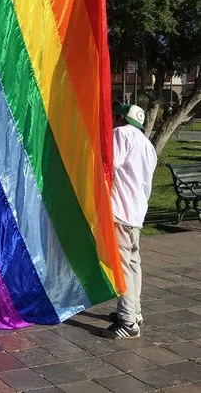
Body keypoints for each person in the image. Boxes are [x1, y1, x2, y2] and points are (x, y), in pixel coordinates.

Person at [105, 104, 157, 339]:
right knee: (133, 263)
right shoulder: (147, 145)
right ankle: (134, 312)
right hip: (136, 211)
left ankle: (127, 321)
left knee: (124, 265)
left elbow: (109, 166)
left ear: (121, 118)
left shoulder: (121, 134)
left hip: (121, 209)